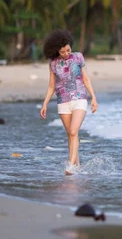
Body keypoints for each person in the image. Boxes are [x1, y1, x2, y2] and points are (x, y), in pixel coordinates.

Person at [40, 29, 98, 175]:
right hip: (63, 101)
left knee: (73, 131)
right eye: (62, 52)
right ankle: (77, 166)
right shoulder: (53, 63)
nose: (66, 53)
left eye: (68, 50)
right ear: (56, 51)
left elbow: (85, 79)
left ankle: (71, 165)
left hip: (79, 98)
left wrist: (93, 98)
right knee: (70, 135)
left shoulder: (78, 57)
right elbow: (52, 86)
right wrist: (45, 103)